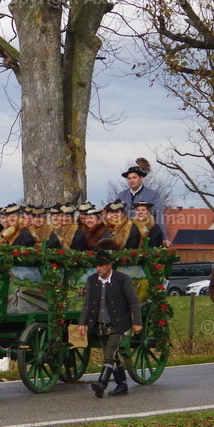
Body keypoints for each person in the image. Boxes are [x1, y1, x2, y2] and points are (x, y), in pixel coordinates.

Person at [78, 238, 143, 397]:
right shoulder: (92, 281)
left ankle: (101, 383)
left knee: (109, 355)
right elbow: (87, 304)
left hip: (118, 324)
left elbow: (134, 302)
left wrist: (137, 322)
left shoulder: (122, 279)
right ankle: (122, 385)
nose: (98, 268)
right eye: (97, 265)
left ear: (109, 265)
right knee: (113, 356)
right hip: (100, 325)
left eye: (101, 265)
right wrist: (82, 323)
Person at [117, 158, 167, 226]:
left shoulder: (153, 195)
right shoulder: (121, 196)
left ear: (141, 178)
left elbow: (159, 217)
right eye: (129, 178)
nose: (131, 180)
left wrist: (161, 233)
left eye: (134, 177)